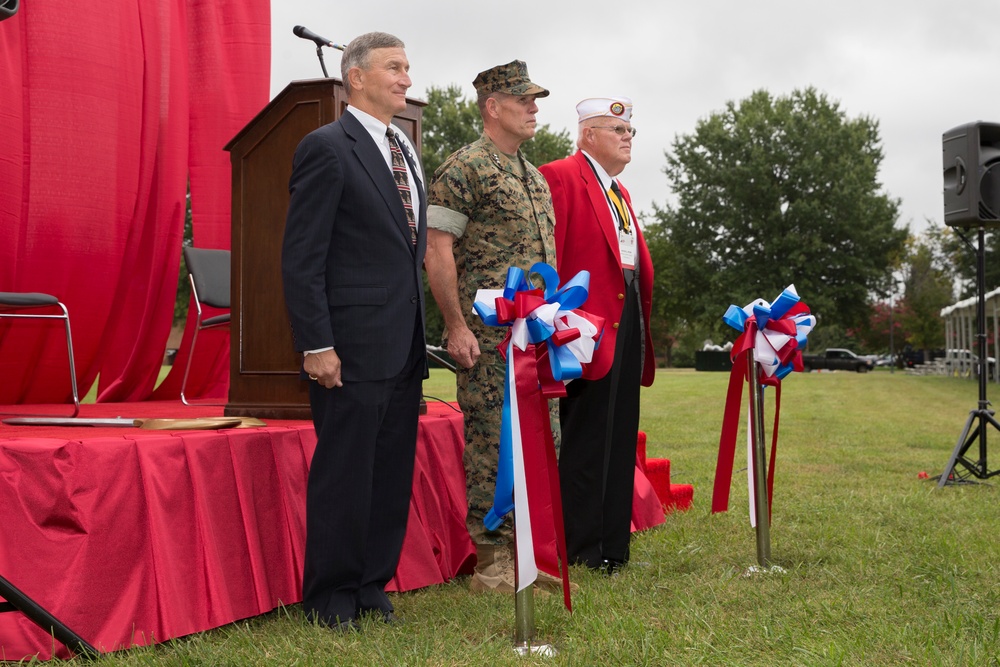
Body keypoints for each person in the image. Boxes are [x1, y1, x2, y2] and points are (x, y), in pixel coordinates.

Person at [281, 31, 427, 631]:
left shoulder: (406, 148)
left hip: (404, 343)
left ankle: (371, 583)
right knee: (345, 473)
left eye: (408, 67)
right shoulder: (326, 147)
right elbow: (301, 256)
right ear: (356, 77)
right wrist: (317, 344)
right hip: (350, 345)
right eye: (394, 67)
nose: (406, 78)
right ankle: (331, 597)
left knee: (391, 471)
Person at [424, 60, 559, 593]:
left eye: (534, 100)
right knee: (491, 444)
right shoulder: (465, 169)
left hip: (537, 340)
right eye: (523, 99)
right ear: (491, 107)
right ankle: (492, 559)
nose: (533, 108)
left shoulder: (533, 176)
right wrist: (456, 327)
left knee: (537, 441)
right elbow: (437, 253)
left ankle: (529, 551)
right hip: (489, 339)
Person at [538, 97, 655, 575]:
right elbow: (550, 251)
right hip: (584, 325)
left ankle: (612, 546)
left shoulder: (620, 192)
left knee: (619, 433)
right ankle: (580, 549)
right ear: (587, 135)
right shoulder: (561, 175)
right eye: (616, 130)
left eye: (630, 131)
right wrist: (556, 317)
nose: (627, 137)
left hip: (626, 318)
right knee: (586, 436)